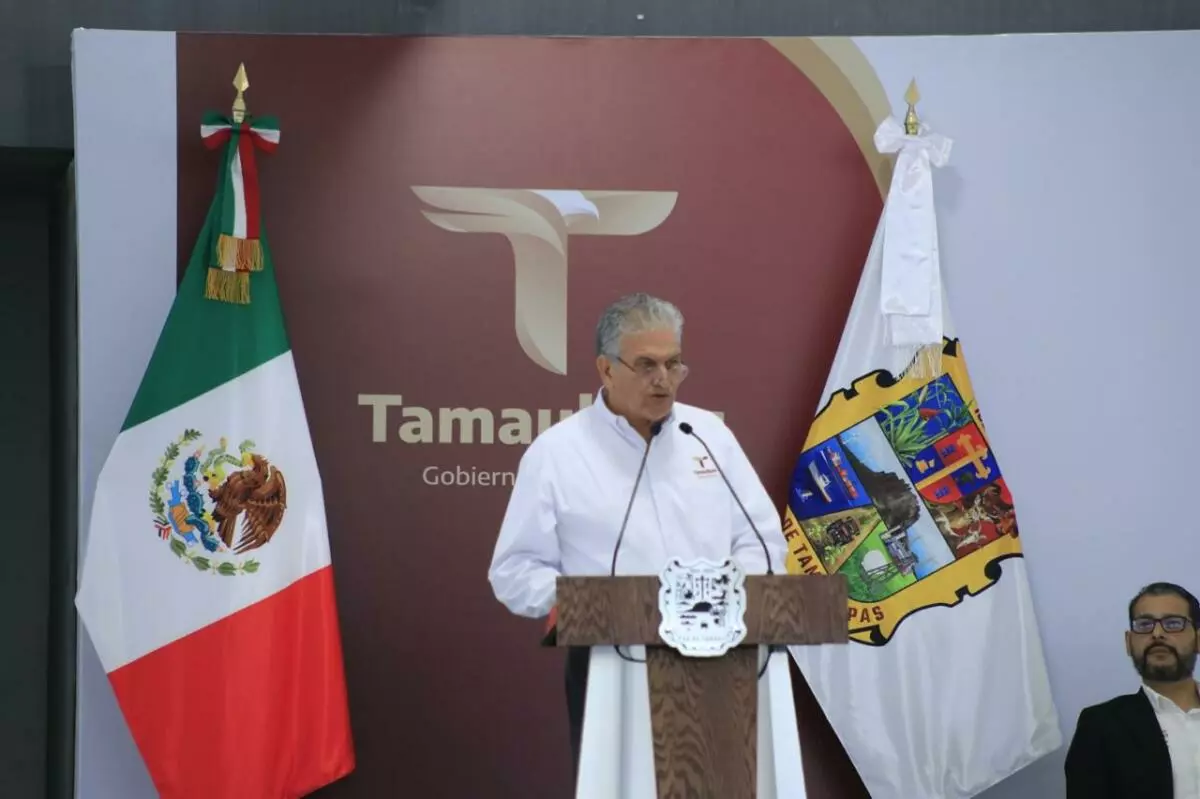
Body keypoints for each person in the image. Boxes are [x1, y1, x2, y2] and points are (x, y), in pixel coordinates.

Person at [487, 292, 788, 778]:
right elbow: (514, 570)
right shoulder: (558, 452)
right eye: (646, 365)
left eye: (673, 364)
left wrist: (734, 594)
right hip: (610, 661)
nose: (663, 379)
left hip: (719, 656)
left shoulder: (708, 435)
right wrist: (587, 601)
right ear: (606, 370)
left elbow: (761, 540)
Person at [1065, 582, 1200, 798]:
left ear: (1198, 639)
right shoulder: (1100, 726)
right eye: (1144, 624)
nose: (1157, 633)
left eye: (1173, 623)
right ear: (1129, 642)